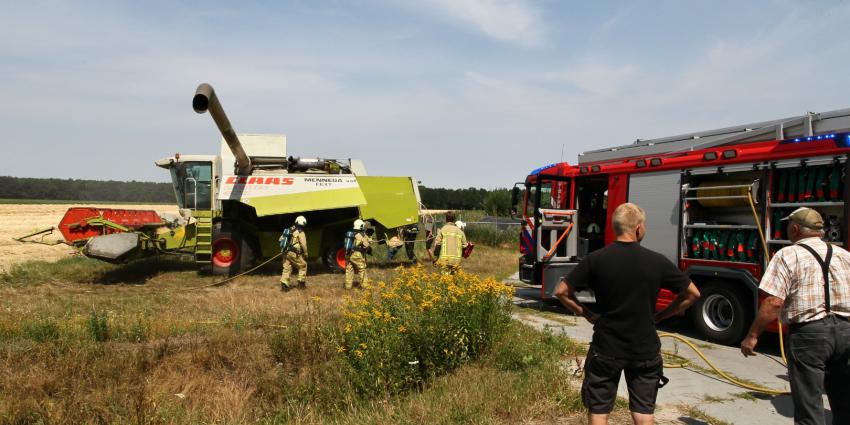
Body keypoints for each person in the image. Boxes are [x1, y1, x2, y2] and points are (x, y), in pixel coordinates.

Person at [553, 203, 700, 425]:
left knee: (599, 410)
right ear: (638, 228)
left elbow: (561, 292)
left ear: (616, 228)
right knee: (643, 412)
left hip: (606, 347)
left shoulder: (596, 259)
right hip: (645, 349)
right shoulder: (657, 261)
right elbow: (693, 294)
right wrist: (660, 316)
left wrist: (588, 314)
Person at [740, 207, 850, 425]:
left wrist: (752, 336)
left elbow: (774, 302)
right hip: (845, 332)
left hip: (809, 335)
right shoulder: (844, 255)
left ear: (795, 228)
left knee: (809, 406)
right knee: (844, 401)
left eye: (788, 225)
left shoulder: (787, 255)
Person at [280, 215, 308, 291]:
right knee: (303, 266)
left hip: (285, 252)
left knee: (286, 269)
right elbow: (304, 245)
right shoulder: (300, 232)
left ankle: (284, 286)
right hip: (294, 252)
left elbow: (280, 239)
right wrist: (305, 254)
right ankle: (301, 284)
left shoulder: (289, 229)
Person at [345, 219, 371, 289]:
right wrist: (368, 241)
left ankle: (348, 286)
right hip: (358, 255)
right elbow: (366, 245)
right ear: (361, 226)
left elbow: (348, 246)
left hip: (349, 254)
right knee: (362, 269)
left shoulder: (351, 233)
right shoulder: (361, 235)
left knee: (349, 270)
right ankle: (365, 287)